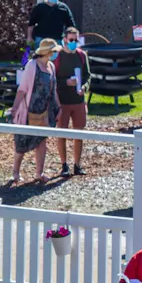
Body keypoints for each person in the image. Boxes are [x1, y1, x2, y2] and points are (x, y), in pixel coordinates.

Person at [11, 38, 60, 183]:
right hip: (29, 110)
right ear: (48, 52)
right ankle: (15, 171)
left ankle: (39, 172)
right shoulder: (32, 65)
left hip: (44, 110)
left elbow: (54, 89)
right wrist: (14, 108)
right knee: (22, 142)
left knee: (41, 141)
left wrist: (58, 107)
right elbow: (22, 89)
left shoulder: (51, 66)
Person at [53, 26, 90, 176]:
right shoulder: (57, 57)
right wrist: (66, 83)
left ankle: (77, 164)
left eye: (76, 40)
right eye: (71, 40)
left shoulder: (82, 55)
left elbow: (88, 76)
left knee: (79, 132)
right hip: (62, 101)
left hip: (78, 100)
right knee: (61, 133)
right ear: (64, 40)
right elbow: (52, 80)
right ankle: (64, 165)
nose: (74, 42)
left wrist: (85, 87)